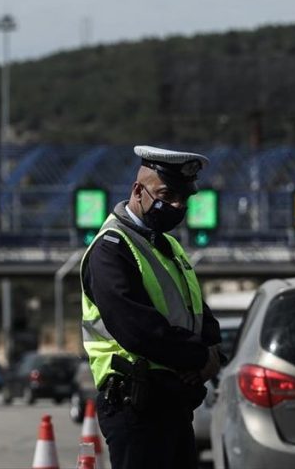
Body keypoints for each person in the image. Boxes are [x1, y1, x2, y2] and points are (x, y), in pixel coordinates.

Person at [80, 145, 223, 469]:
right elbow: (138, 331)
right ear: (137, 191)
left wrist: (214, 351)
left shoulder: (166, 245)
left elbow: (197, 309)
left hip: (175, 401)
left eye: (183, 199)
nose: (176, 205)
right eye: (167, 194)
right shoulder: (111, 249)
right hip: (136, 404)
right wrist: (200, 358)